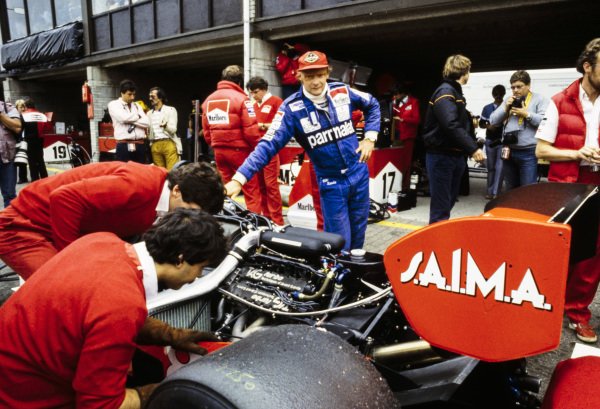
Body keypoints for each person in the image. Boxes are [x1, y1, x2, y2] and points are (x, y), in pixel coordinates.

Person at [0, 209, 228, 409]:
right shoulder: (120, 304)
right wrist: (174, 390)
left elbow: (92, 314)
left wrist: (170, 335)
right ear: (180, 260)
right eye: (201, 268)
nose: (198, 276)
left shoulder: (101, 241)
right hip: (24, 398)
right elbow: (101, 405)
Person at [225, 50, 381, 251]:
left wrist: (370, 138)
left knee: (359, 237)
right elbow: (267, 145)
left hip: (359, 174)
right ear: (299, 76)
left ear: (328, 72)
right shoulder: (291, 109)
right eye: (309, 76)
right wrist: (239, 179)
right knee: (340, 243)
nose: (315, 82)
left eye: (320, 75)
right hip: (332, 183)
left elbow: (372, 104)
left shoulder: (343, 91)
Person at [0, 161, 224, 280]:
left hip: (63, 228)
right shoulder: (140, 185)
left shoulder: (164, 199)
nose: (191, 219)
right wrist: (71, 259)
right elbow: (64, 198)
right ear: (176, 190)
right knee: (68, 288)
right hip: (23, 226)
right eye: (191, 211)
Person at [535, 38, 600, 343]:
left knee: (593, 254)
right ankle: (545, 303)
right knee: (560, 248)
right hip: (568, 185)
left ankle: (577, 312)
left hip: (598, 183)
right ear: (588, 66)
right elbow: (541, 151)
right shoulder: (559, 101)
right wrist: (577, 153)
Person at [421, 54, 485, 224]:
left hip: (452, 155)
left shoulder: (453, 92)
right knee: (441, 207)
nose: (469, 74)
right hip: (442, 156)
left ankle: (438, 234)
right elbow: (450, 124)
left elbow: (453, 122)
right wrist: (473, 148)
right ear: (464, 71)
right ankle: (435, 237)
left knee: (447, 202)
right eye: (469, 71)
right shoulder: (446, 92)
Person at [202, 65, 263, 214]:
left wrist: (215, 145)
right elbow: (251, 131)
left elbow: (206, 131)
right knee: (251, 189)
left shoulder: (208, 100)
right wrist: (258, 149)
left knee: (225, 190)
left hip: (218, 151)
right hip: (240, 151)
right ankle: (255, 222)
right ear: (240, 82)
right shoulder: (243, 99)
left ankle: (227, 220)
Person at [489, 70, 549, 191]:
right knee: (510, 189)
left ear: (528, 85)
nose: (515, 90)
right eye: (513, 87)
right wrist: (505, 108)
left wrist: (527, 114)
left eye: (519, 86)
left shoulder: (540, 99)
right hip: (508, 150)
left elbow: (545, 122)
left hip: (528, 152)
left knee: (527, 190)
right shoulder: (509, 99)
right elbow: (493, 121)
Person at [246, 76, 285, 225]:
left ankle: (277, 220)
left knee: (271, 186)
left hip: (270, 149)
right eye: (251, 93)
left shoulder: (276, 102)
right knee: (261, 185)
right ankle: (266, 219)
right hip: (256, 150)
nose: (253, 95)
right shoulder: (253, 105)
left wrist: (262, 125)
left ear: (264, 89)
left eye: (255, 92)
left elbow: (282, 124)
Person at [108, 79, 149, 164]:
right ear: (122, 93)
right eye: (129, 94)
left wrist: (129, 120)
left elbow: (146, 123)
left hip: (140, 144)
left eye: (134, 94)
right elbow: (123, 118)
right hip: (123, 144)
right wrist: (138, 116)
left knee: (140, 170)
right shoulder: (113, 104)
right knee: (124, 169)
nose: (132, 97)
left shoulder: (137, 105)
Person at [390, 84, 421, 191]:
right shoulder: (395, 101)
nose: (395, 96)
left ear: (403, 93)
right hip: (395, 136)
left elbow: (417, 120)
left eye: (397, 94)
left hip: (408, 137)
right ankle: (395, 185)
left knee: (406, 162)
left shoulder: (414, 102)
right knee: (395, 161)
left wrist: (403, 119)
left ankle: (405, 186)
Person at [479, 84, 506, 199]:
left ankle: (496, 193)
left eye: (500, 94)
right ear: (493, 95)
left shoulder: (507, 107)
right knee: (491, 168)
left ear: (504, 94)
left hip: (502, 141)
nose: (498, 96)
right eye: (496, 94)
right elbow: (481, 123)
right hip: (490, 140)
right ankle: (490, 192)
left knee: (500, 167)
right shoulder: (487, 108)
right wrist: (488, 126)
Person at [147, 87, 180, 170]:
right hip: (155, 144)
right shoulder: (149, 113)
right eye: (149, 96)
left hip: (168, 142)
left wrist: (165, 126)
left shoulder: (170, 110)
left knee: (172, 171)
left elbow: (173, 129)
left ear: (160, 98)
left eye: (153, 96)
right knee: (159, 172)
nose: (150, 99)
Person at [0, 99, 23, 208]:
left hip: (7, 157)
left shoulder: (7, 107)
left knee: (9, 194)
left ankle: (9, 218)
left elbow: (17, 127)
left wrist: (1, 115)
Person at [22, 97, 51, 181]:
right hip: (40, 140)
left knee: (32, 161)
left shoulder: (24, 115)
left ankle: (35, 179)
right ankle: (45, 178)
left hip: (29, 141)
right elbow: (47, 127)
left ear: (26, 106)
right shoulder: (42, 115)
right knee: (40, 160)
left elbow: (20, 129)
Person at [14, 99, 28, 184]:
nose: (23, 109)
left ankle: (23, 177)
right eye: (21, 107)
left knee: (22, 158)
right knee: (20, 158)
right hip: (19, 140)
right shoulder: (16, 117)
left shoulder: (26, 116)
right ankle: (22, 177)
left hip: (25, 139)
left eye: (24, 107)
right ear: (17, 108)